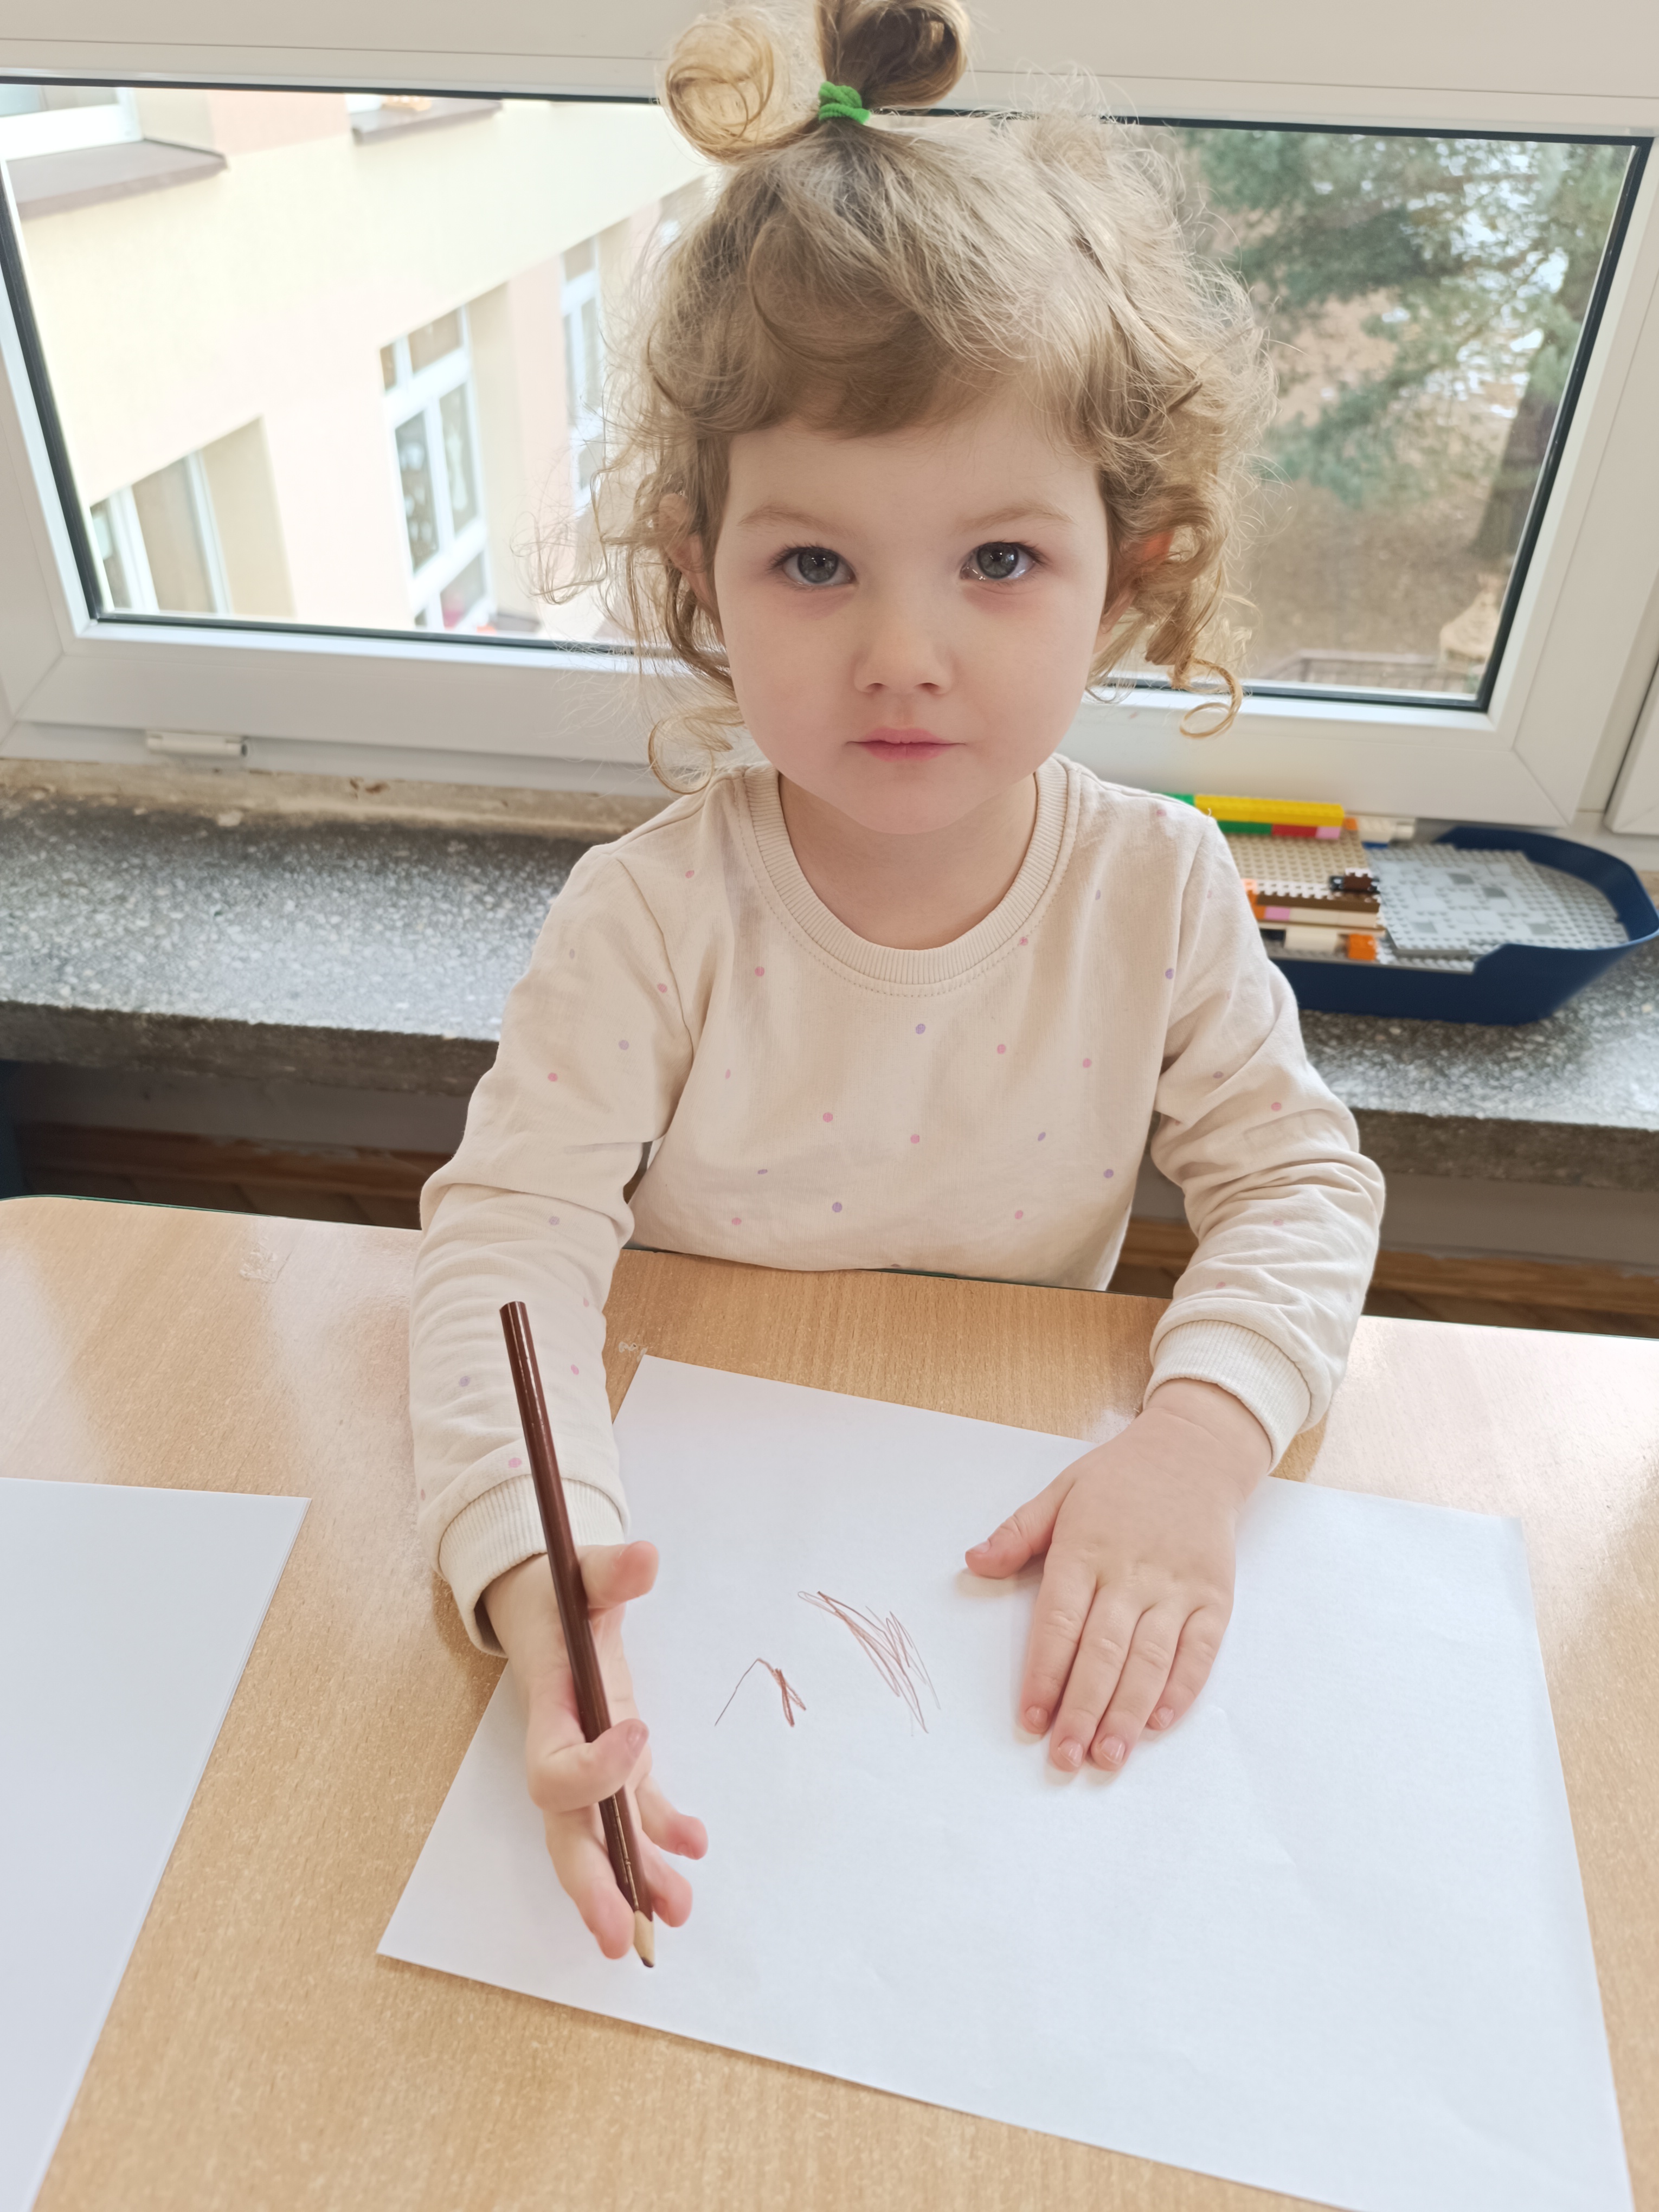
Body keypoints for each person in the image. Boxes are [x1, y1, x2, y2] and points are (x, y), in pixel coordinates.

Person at [409, 0, 1385, 1961]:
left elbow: (1299, 1183)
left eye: (998, 562)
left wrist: (1198, 1445)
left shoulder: (1159, 887)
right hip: (713, 1556)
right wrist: (540, 1579)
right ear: (698, 571)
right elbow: (504, 1251)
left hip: (993, 1563)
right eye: (814, 567)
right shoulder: (646, 917)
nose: (905, 655)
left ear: (1130, 570)